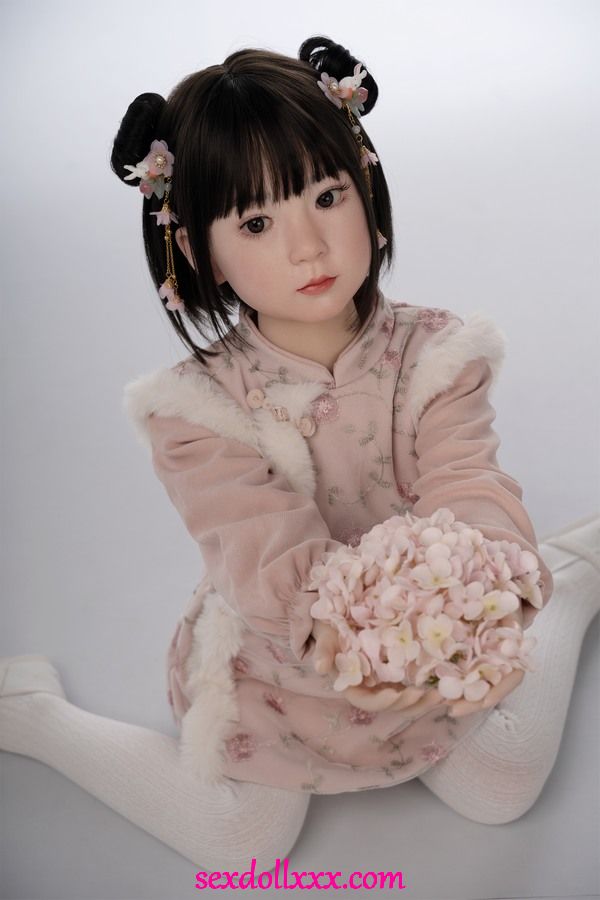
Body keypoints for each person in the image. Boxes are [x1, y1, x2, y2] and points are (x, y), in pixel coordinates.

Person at [1, 35, 599, 875]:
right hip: (281, 654)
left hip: (429, 629)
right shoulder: (197, 410)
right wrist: (356, 646)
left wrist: (475, 615)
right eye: (256, 222)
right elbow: (263, 544)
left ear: (366, 185)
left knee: (501, 790)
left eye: (326, 195)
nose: (307, 247)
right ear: (199, 251)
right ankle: (35, 714)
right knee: (240, 844)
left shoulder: (436, 354)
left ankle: (569, 581)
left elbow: (466, 478)